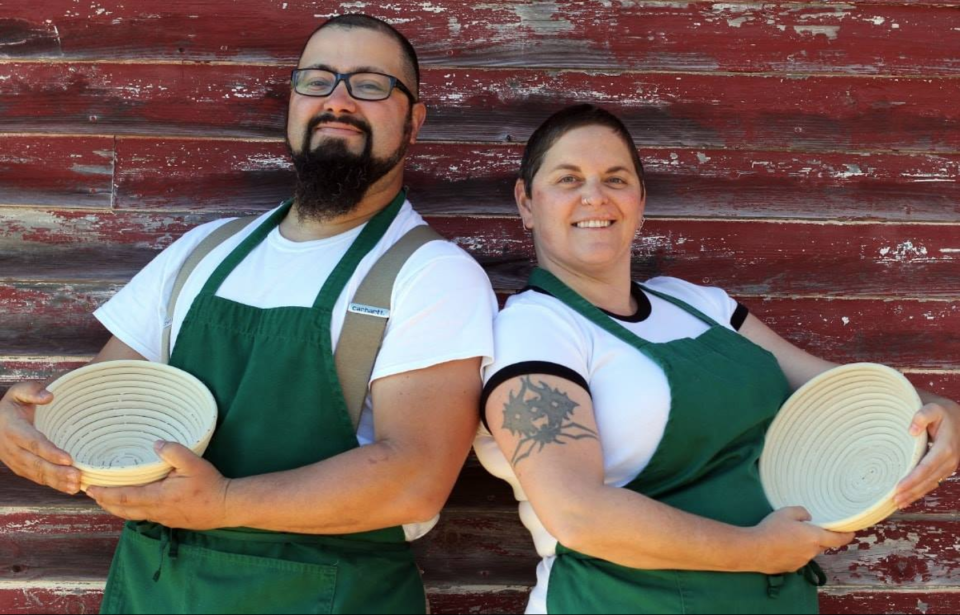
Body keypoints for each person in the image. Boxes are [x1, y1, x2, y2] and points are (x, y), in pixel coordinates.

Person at [0, 14, 497, 614]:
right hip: (155, 587)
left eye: (369, 84)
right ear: (292, 100)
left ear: (413, 120)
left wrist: (226, 503)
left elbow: (415, 481)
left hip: (330, 596)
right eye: (317, 81)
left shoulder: (431, 273)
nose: (337, 101)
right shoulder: (201, 253)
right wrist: (30, 429)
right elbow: (108, 404)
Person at [473, 103, 960, 614]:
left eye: (615, 179)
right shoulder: (534, 329)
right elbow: (578, 513)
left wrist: (937, 411)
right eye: (568, 179)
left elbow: (837, 393)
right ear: (527, 203)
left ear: (640, 200)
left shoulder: (698, 304)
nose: (594, 196)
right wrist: (757, 550)